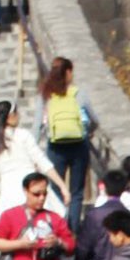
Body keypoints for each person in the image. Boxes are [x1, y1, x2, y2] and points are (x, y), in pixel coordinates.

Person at [0, 100, 69, 223]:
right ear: (10, 117)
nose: (19, 115)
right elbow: (43, 162)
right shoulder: (23, 136)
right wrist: (62, 186)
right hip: (31, 186)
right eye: (17, 113)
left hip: (8, 194)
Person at [37, 58, 93, 233]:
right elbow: (93, 119)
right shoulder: (78, 94)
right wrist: (89, 131)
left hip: (55, 147)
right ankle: (73, 231)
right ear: (68, 72)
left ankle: (57, 228)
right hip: (79, 145)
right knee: (76, 193)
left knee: (54, 190)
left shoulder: (46, 95)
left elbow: (37, 124)